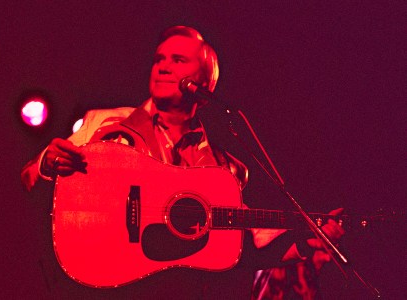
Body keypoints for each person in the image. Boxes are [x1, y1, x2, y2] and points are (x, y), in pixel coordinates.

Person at [21, 26, 344, 299]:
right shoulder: (105, 124)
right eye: (159, 59)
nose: (162, 66)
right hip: (102, 284)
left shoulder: (223, 170)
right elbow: (29, 178)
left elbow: (247, 248)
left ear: (205, 83)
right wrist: (48, 163)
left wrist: (306, 238)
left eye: (178, 60)